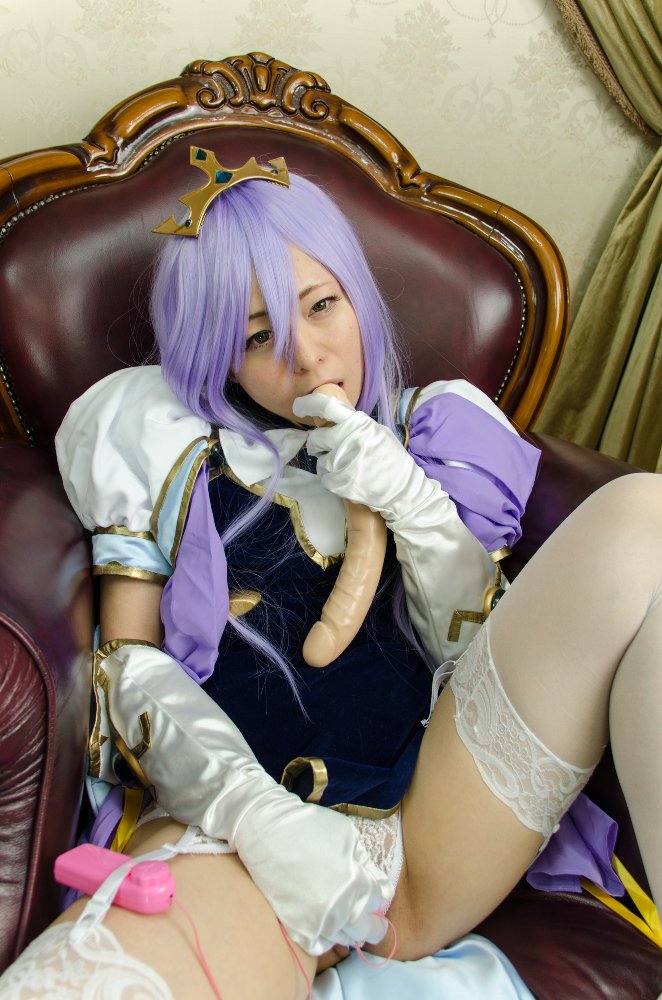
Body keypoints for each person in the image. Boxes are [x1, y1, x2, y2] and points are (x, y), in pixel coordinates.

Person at [1, 150, 660, 1000]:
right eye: (258, 337)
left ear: (356, 294)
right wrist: (255, 816)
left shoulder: (435, 434)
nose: (308, 357)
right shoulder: (166, 445)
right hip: (238, 831)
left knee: (642, 513)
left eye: (322, 305)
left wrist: (413, 503)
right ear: (220, 358)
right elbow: (126, 664)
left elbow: (479, 650)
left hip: (439, 809)